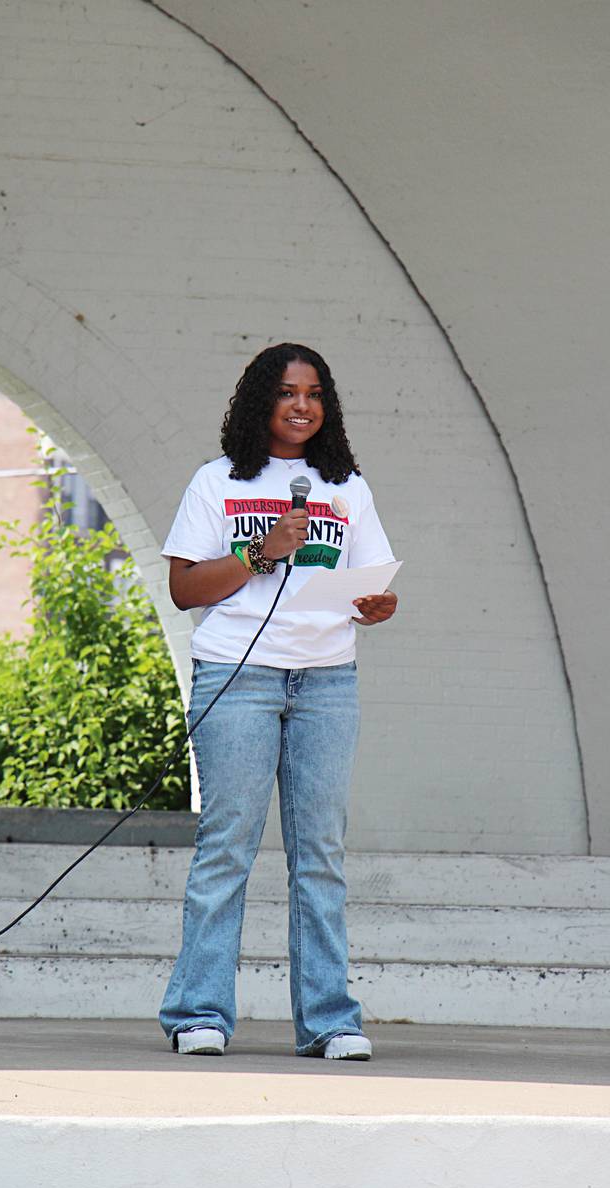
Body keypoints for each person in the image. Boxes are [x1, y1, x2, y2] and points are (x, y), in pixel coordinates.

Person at [158, 343, 397, 1060]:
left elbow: (369, 578)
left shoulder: (345, 486)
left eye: (315, 393)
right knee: (227, 848)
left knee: (320, 853)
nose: (303, 405)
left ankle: (329, 1020)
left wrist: (375, 605)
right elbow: (184, 589)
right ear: (261, 400)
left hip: (326, 679)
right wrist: (262, 553)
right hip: (238, 675)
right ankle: (198, 1013)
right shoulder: (217, 482)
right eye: (289, 392)